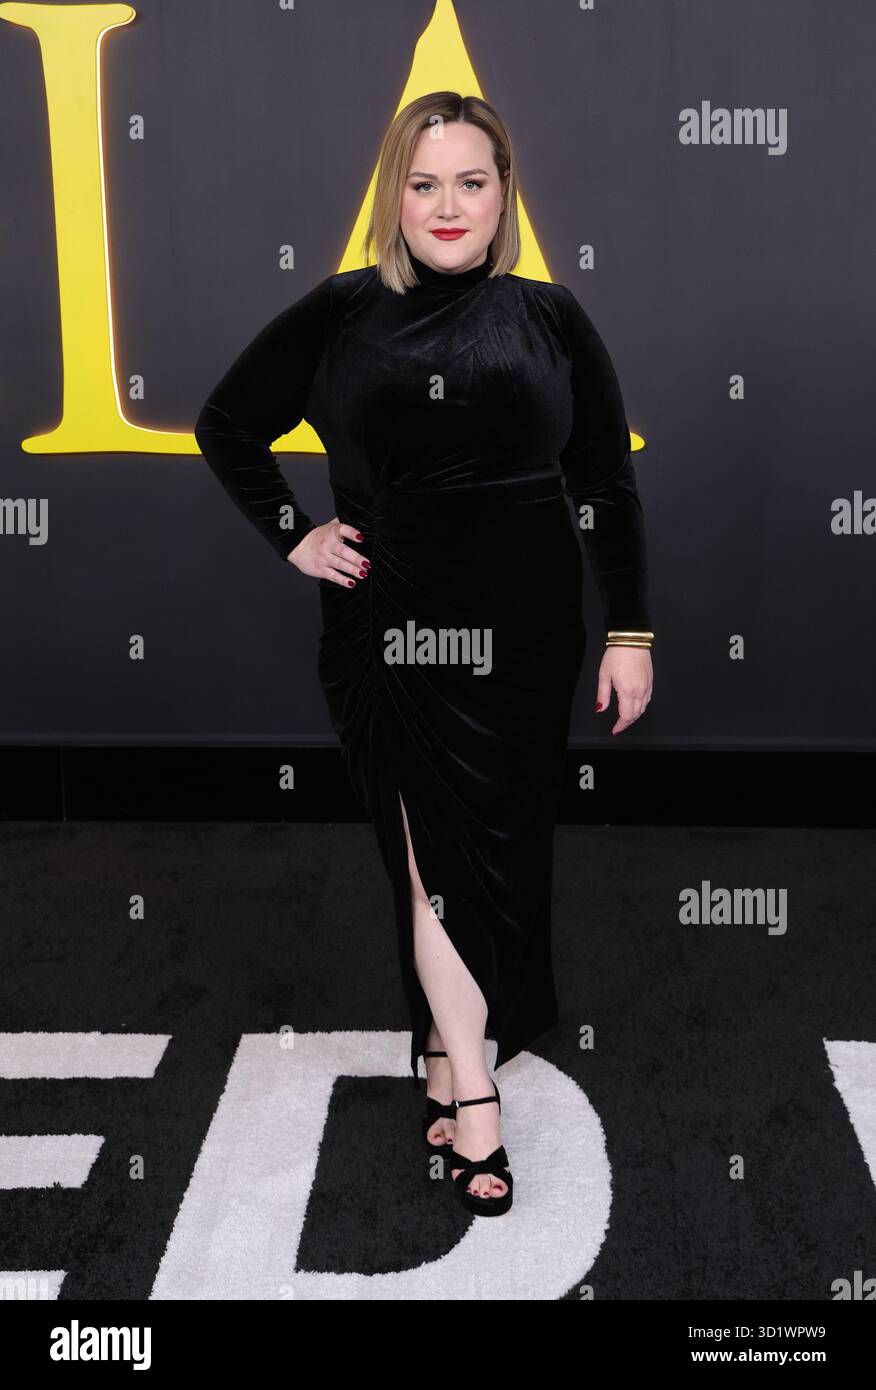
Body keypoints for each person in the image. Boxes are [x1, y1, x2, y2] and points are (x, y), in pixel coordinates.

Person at [194, 91, 654, 1217]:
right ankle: (476, 1093)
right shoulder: (343, 311)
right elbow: (225, 422)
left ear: (505, 196)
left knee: (495, 852)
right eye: (425, 182)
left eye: (472, 182)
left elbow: (603, 480)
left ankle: (447, 1054)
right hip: (390, 625)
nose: (448, 206)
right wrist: (293, 531)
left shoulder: (551, 317)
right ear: (394, 197)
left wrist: (630, 626)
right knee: (431, 854)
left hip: (528, 628)